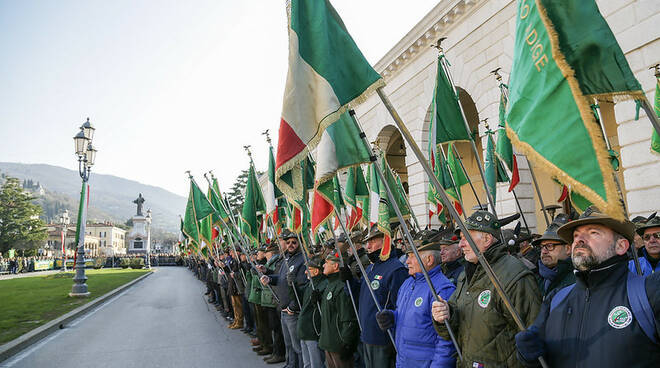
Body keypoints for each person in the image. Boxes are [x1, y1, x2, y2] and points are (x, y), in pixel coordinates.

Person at [515, 206, 660, 367]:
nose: (579, 240)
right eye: (576, 235)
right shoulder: (555, 299)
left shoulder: (649, 293)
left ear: (621, 246)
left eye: (593, 233)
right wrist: (527, 355)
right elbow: (539, 360)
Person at [431, 210, 542, 368]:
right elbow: (454, 330)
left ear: (487, 239)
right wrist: (445, 315)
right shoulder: (468, 273)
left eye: (466, 238)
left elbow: (532, 341)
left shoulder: (515, 276)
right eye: (461, 238)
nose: (461, 244)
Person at [375, 231, 457, 367]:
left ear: (429, 260)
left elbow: (447, 341)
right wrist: (392, 317)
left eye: (412, 256)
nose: (407, 261)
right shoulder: (408, 283)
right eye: (408, 256)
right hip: (404, 361)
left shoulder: (442, 289)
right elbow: (414, 320)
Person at [357, 225, 408, 368]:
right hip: (367, 334)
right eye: (367, 242)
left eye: (372, 241)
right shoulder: (370, 268)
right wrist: (349, 281)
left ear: (385, 240)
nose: (368, 246)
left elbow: (401, 307)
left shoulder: (396, 269)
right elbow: (361, 296)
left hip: (383, 338)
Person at [261, 229, 307, 368]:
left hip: (292, 310)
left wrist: (292, 306)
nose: (291, 244)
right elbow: (280, 279)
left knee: (297, 345)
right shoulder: (287, 258)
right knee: (288, 343)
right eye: (288, 242)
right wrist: (269, 277)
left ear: (299, 243)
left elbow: (302, 286)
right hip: (283, 308)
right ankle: (290, 364)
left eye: (294, 242)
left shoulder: (302, 259)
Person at [320, 252, 360, 368]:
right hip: (329, 342)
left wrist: (346, 343)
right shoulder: (330, 284)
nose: (323, 265)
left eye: (326, 263)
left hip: (338, 344)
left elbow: (348, 317)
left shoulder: (341, 286)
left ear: (335, 266)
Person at [531, 218, 575, 298]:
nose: (544, 251)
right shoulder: (535, 278)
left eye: (549, 246)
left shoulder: (578, 280)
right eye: (542, 246)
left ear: (568, 249)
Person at [258, 242, 286, 364]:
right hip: (270, 298)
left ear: (271, 253)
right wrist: (265, 271)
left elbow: (278, 277)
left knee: (277, 328)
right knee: (273, 327)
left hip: (274, 298)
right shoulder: (273, 262)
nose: (265, 254)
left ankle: (279, 353)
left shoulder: (277, 261)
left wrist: (267, 272)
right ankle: (275, 351)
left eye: (266, 252)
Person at [297, 255, 328, 368]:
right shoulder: (310, 284)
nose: (305, 272)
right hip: (304, 330)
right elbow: (298, 299)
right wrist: (292, 285)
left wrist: (318, 299)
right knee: (307, 364)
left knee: (316, 364)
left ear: (316, 271)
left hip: (313, 331)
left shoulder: (323, 284)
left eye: (308, 270)